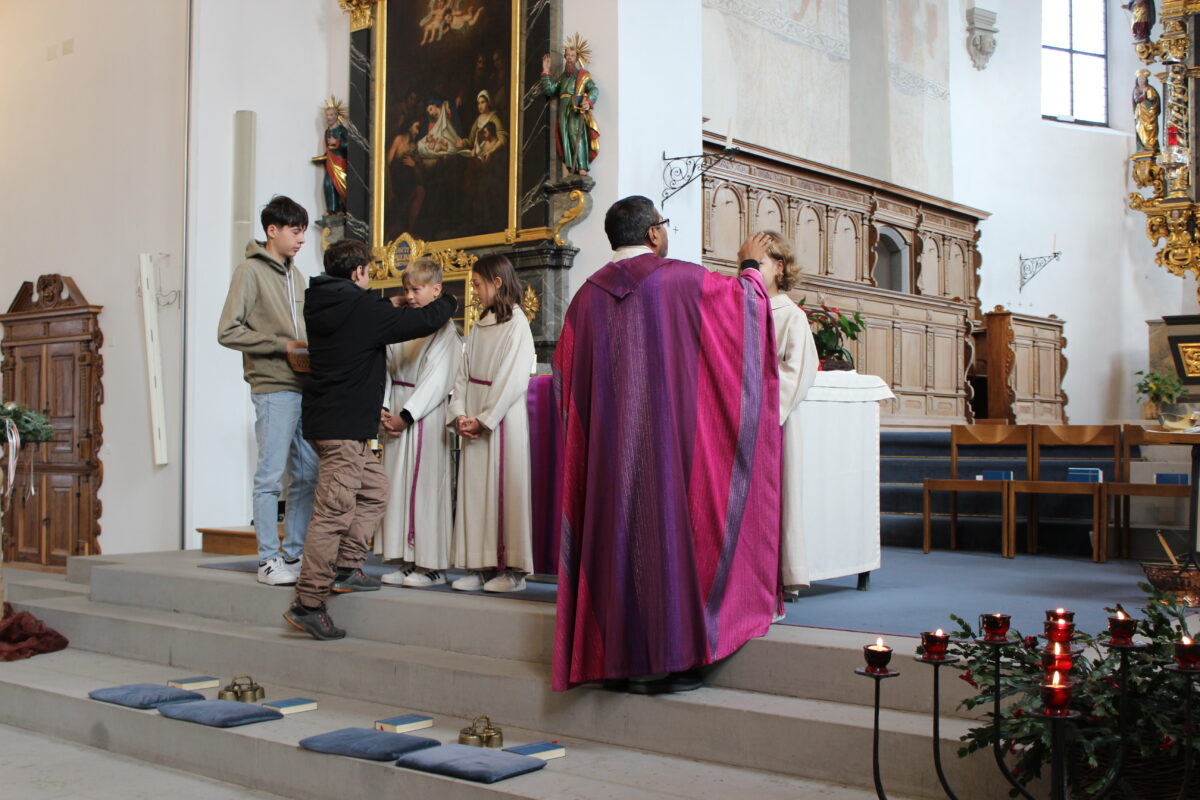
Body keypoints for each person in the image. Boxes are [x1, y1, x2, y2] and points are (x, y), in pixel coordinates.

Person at [552, 196, 782, 693]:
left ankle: (616, 660)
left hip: (608, 459)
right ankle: (673, 660)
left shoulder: (584, 298)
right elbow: (746, 309)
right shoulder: (679, 278)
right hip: (666, 450)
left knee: (618, 541)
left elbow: (563, 379)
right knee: (670, 537)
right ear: (654, 233)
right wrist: (748, 264)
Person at [283, 239, 456, 640]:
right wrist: (447, 299)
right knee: (332, 514)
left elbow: (367, 317)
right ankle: (309, 602)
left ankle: (346, 567)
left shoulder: (323, 300)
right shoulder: (362, 309)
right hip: (344, 428)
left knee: (375, 488)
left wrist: (388, 305)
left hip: (330, 422)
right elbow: (422, 322)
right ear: (360, 273)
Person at [218, 195, 318, 587]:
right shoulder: (249, 272)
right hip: (273, 386)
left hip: (303, 384)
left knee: (309, 474)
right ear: (272, 230)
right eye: (296, 231)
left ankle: (293, 555)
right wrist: (281, 345)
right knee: (270, 478)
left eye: (304, 232)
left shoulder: (296, 275)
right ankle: (267, 560)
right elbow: (228, 331)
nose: (301, 239)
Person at [447, 255, 536, 593]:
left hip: (501, 420)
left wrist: (484, 419)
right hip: (473, 416)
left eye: (477, 284)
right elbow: (463, 373)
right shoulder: (478, 325)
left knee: (504, 491)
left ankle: (513, 571)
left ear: (497, 283)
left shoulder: (517, 324)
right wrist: (459, 412)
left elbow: (513, 380)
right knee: (475, 493)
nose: (474, 291)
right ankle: (480, 565)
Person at [377, 258, 463, 586]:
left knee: (425, 488)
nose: (410, 296)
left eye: (417, 289)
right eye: (406, 289)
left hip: (424, 414)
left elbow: (438, 380)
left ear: (436, 289)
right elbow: (385, 362)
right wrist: (384, 407)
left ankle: (431, 564)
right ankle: (404, 559)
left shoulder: (444, 331)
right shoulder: (401, 323)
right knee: (396, 488)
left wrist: (406, 415)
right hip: (396, 410)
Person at [743, 231, 819, 595]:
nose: (753, 270)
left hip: (775, 419)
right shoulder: (740, 306)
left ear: (779, 266)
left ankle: (782, 574)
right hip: (739, 414)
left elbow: (797, 373)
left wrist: (759, 402)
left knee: (779, 494)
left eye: (760, 262)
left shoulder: (792, 316)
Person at [540, 40, 599, 176]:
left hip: (575, 107)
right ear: (565, 57)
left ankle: (582, 166)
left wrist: (588, 101)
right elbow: (550, 90)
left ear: (577, 58)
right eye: (568, 55)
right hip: (563, 108)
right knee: (564, 136)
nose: (570, 58)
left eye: (573, 56)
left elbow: (594, 89)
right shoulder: (563, 78)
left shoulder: (582, 76)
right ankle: (571, 167)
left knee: (575, 134)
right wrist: (546, 71)